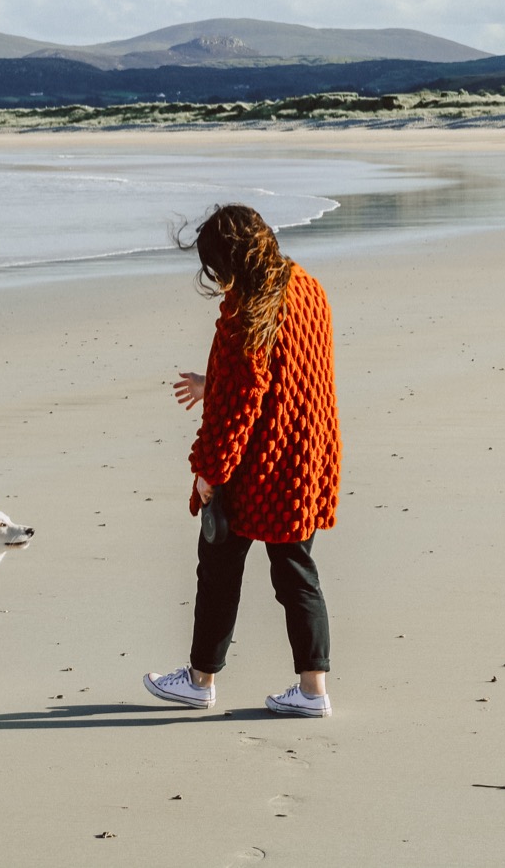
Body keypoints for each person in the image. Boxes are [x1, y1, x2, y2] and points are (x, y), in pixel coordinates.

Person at [143, 204, 341, 717]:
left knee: (218, 571)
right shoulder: (306, 287)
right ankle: (313, 690)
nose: (216, 279)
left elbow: (241, 408)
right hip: (304, 457)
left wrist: (208, 472)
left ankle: (200, 681)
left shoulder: (245, 312)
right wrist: (213, 383)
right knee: (298, 574)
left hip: (257, 467)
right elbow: (284, 373)